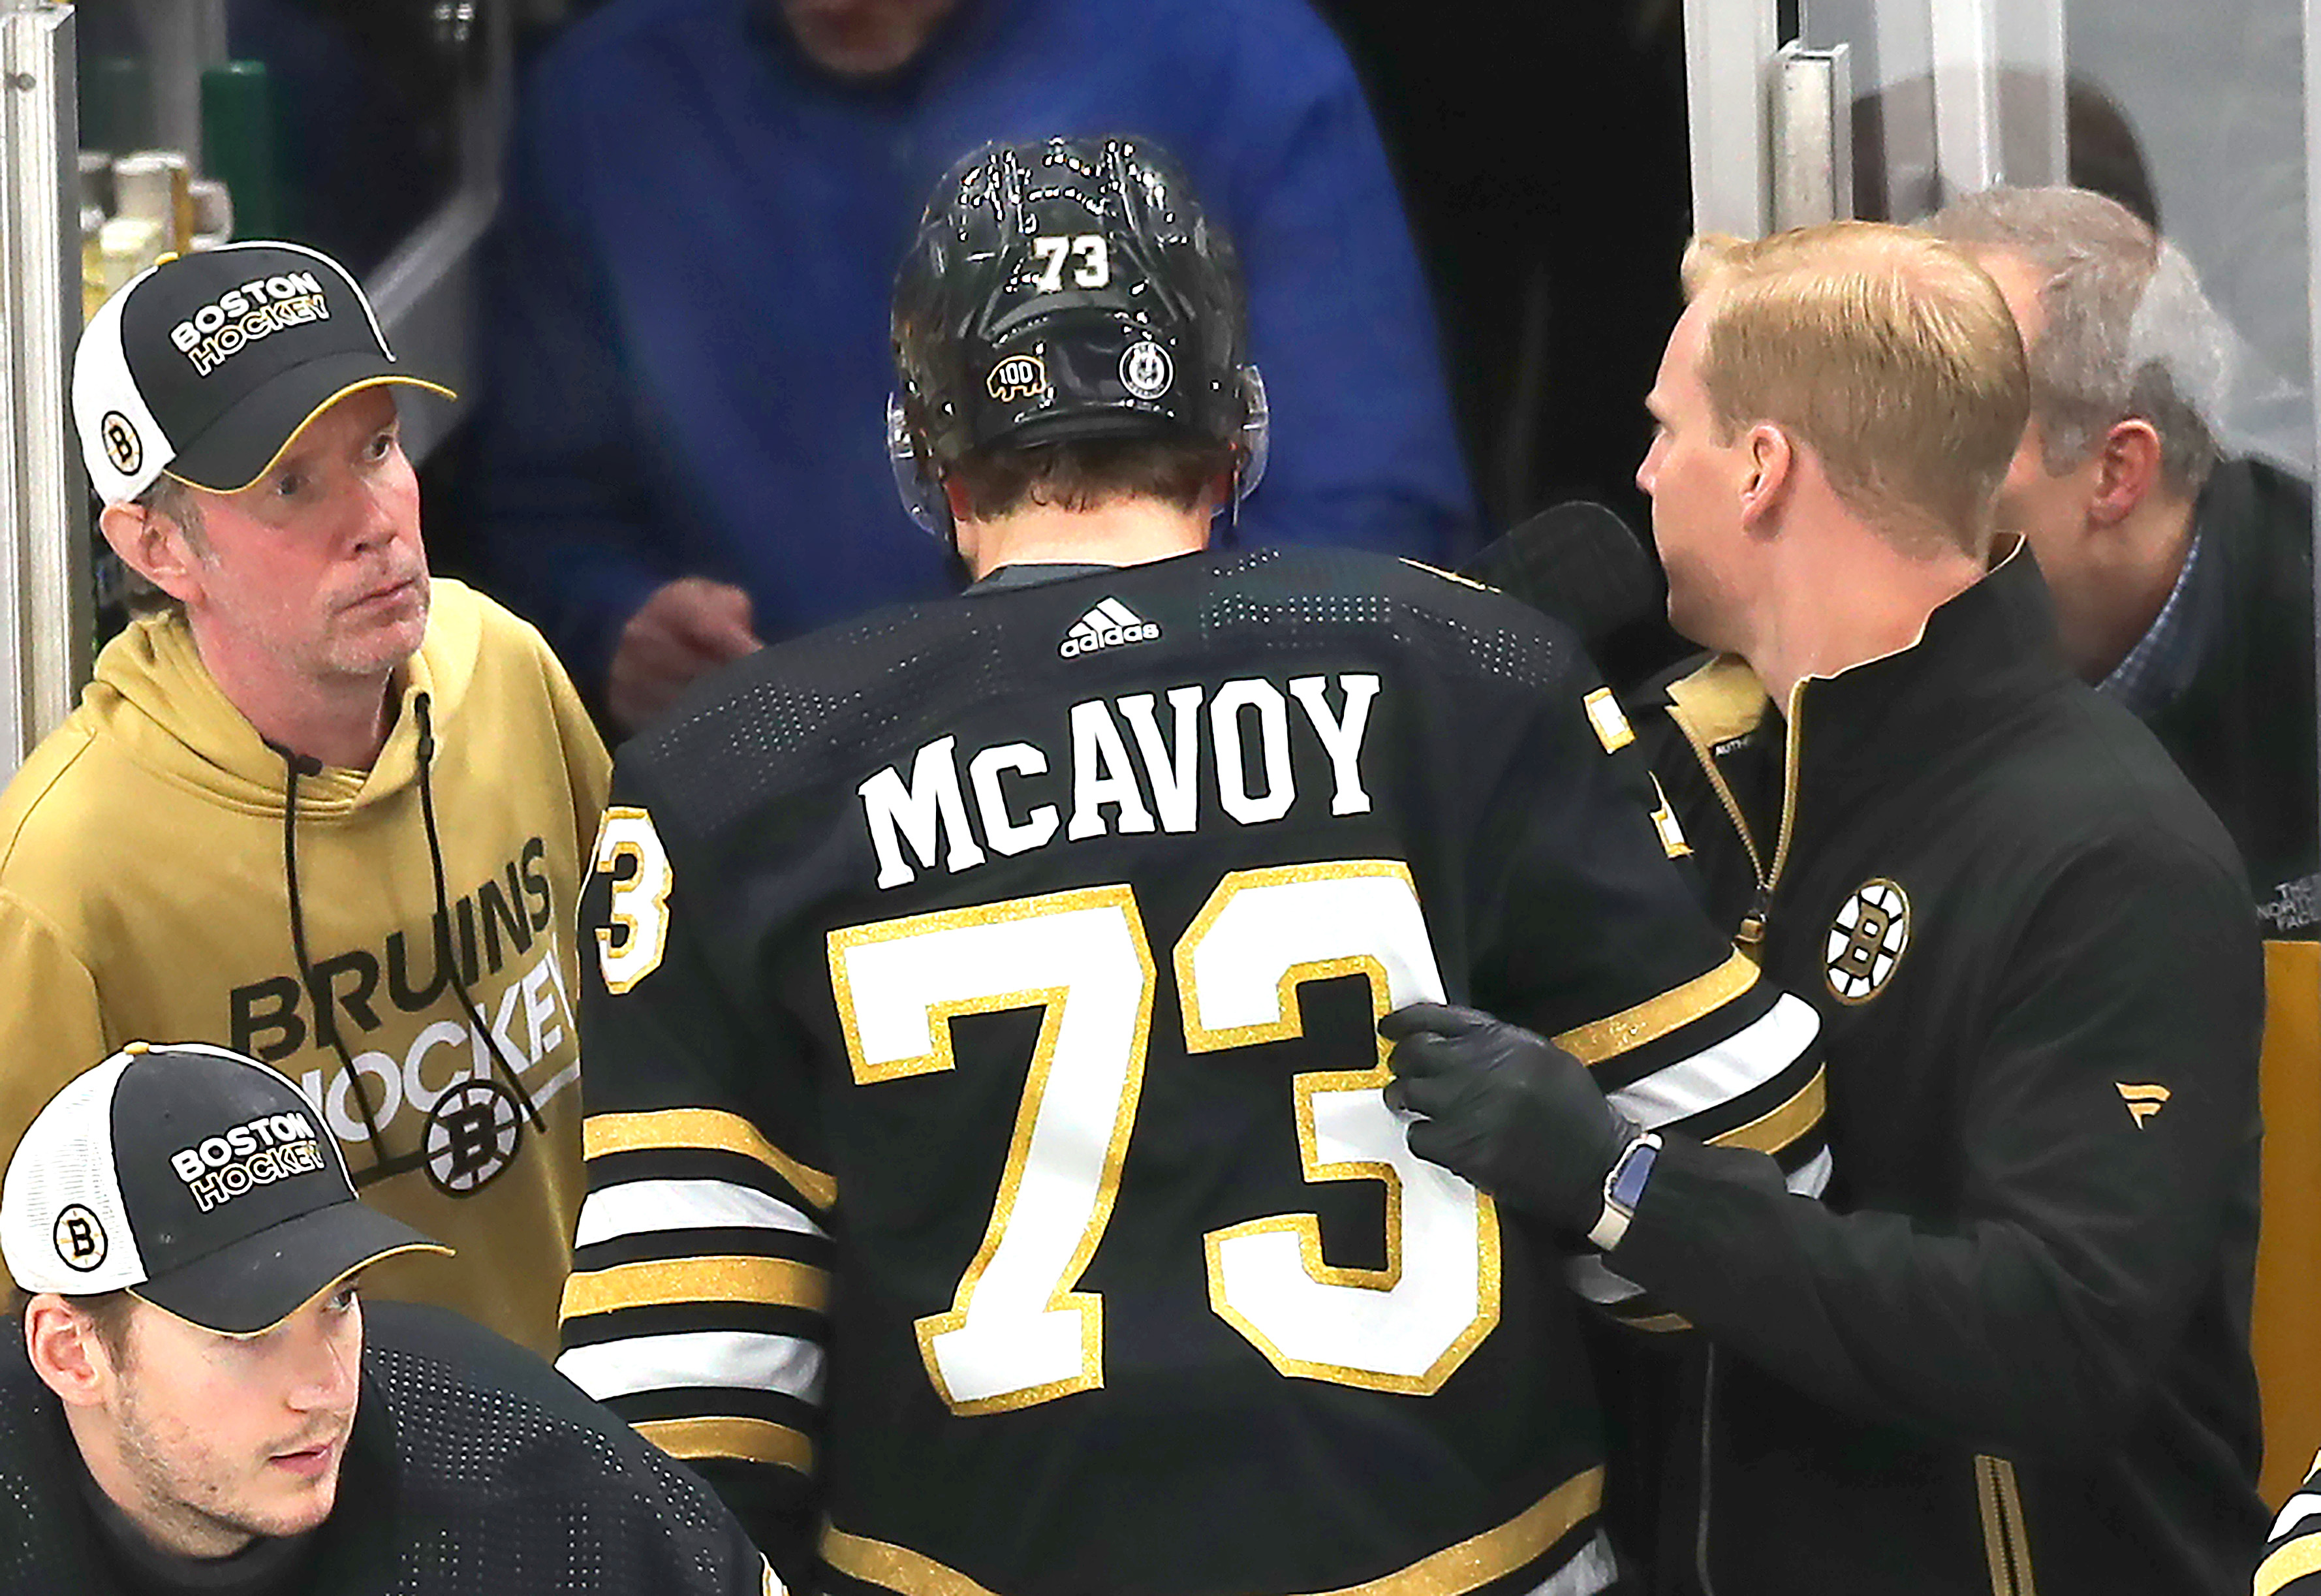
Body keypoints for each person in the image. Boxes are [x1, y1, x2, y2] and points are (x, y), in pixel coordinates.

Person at [557, 134, 1827, 1596]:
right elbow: (1756, 1187)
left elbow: (676, 1412)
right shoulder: (1463, 664)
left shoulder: (733, 768)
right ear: (1238, 430)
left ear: (924, 452)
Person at [1381, 222, 2267, 1593]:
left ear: (1759, 468)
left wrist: (1621, 1183)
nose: (1638, 472)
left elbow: (2061, 1335)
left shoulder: (2107, 846)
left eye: (1664, 428)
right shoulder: (1698, 787)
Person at [473, 0, 1476, 731]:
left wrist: (1068, 693)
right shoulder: (604, 105)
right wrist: (615, 629)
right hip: (776, 844)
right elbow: (533, 519)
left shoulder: (1240, 62)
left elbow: (1378, 536)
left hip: (1185, 779)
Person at [0, 240, 610, 1358]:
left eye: (378, 446)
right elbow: (41, 1327)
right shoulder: (66, 876)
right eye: (291, 484)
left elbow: (640, 1013)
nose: (375, 519)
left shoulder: (501, 667)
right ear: (155, 545)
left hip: (592, 1428)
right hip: (305, 1493)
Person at [0, 1040, 773, 1593]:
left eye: (338, 1300)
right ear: (72, 1354)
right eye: (248, 1329)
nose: (328, 1388)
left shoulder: (543, 1480)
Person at [1925, 185, 2318, 941]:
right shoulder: (1843, 668)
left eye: (1950, 434)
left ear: (2114, 473)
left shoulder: (2301, 640)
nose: (1880, 481)